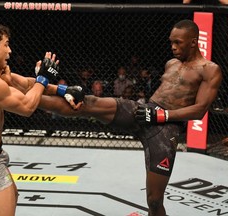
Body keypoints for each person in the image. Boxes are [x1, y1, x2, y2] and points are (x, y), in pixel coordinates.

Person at [39, 19, 222, 216]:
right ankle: (37, 91)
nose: (173, 47)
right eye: (171, 42)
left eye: (178, 42)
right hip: (144, 112)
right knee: (87, 103)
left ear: (193, 42)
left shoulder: (209, 69)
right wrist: (152, 112)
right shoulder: (172, 63)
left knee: (154, 200)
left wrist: (161, 115)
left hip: (165, 128)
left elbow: (200, 110)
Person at [0, 21, 83, 216]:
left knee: (12, 196)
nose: (10, 51)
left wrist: (63, 90)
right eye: (5, 44)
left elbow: (22, 83)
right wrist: (43, 78)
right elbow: (27, 106)